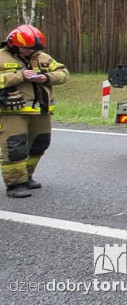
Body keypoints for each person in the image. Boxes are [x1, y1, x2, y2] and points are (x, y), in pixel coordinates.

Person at [0, 24, 69, 198]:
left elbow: (63, 73)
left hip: (41, 111)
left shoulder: (42, 57)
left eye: (34, 49)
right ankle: (15, 184)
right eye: (27, 48)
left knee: (40, 144)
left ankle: (27, 176)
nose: (31, 52)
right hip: (12, 112)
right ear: (14, 44)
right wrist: (19, 76)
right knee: (14, 147)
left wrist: (46, 77)